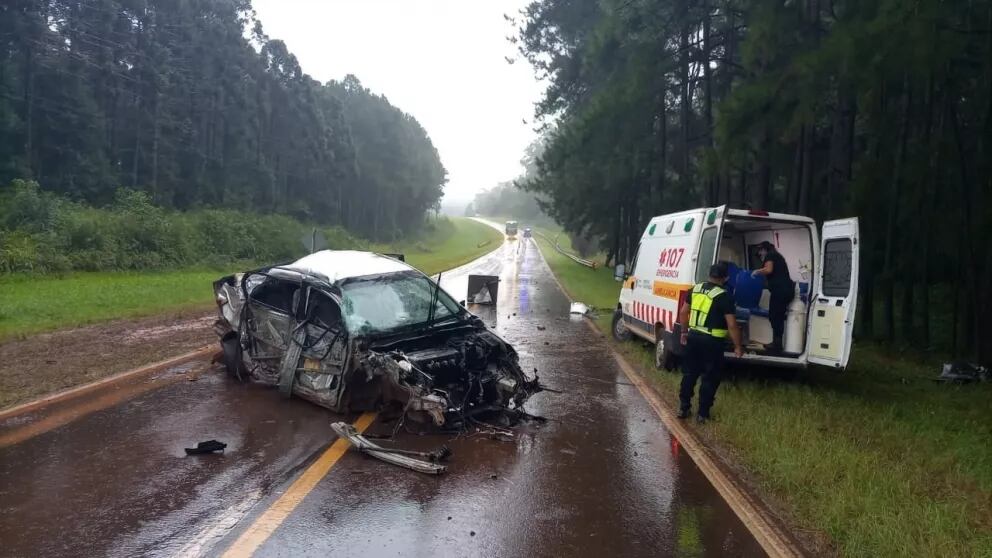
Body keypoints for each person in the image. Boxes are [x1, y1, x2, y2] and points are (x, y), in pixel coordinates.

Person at [677, 262, 744, 423]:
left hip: (693, 338)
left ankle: (683, 408)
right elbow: (732, 325)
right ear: (726, 278)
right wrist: (737, 346)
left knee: (689, 374)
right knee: (710, 377)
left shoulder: (695, 289)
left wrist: (684, 332)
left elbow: (683, 312)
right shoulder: (724, 295)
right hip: (712, 342)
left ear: (709, 275)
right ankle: (702, 414)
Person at [751, 241, 795, 352]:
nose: (760, 253)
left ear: (764, 249)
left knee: (775, 315)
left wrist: (757, 271)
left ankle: (777, 344)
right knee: (777, 315)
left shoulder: (770, 255)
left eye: (760, 251)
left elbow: (768, 269)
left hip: (780, 290)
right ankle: (777, 342)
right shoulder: (777, 256)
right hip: (786, 290)